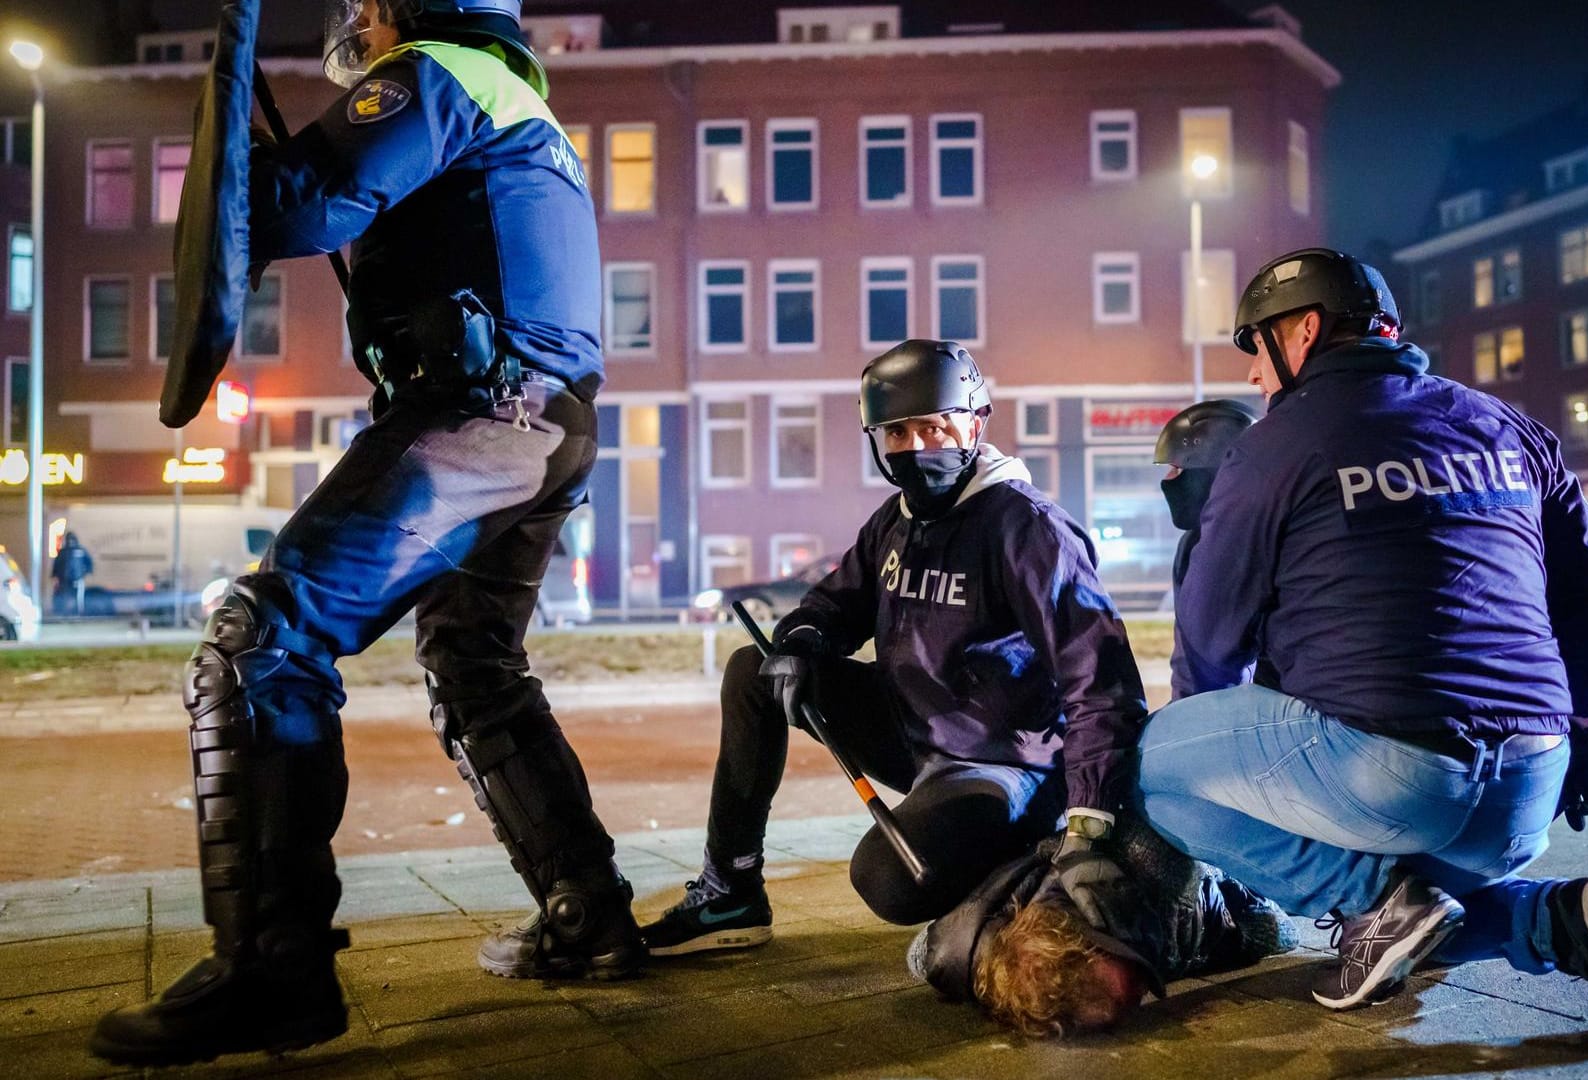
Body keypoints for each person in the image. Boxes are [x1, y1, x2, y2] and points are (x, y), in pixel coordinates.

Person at [92, 1, 637, 1066]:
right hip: (550, 425)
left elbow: (307, 207)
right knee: (476, 664)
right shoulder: (517, 99)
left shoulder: (437, 70)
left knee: (263, 639)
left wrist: (255, 167)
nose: (356, 19)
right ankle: (588, 911)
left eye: (367, 4)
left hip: (483, 415)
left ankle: (273, 969)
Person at [1133, 248, 1588, 1045]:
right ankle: (1562, 921)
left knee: (1153, 763)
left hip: (1393, 777)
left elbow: (1209, 640)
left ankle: (1368, 900)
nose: (1257, 379)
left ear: (1302, 331)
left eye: (1255, 349)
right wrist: (1582, 729)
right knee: (1415, 915)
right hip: (1528, 791)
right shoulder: (1508, 426)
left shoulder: (1273, 446)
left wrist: (1231, 784)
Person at [639, 340, 1149, 954]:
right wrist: (801, 642)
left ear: (975, 420)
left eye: (933, 427)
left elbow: (1101, 682)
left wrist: (1089, 822)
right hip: (912, 730)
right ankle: (732, 890)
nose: (915, 448)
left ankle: (1021, 855)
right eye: (896, 433)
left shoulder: (1027, 528)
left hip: (1001, 761)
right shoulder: (896, 520)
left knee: (889, 878)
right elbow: (833, 606)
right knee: (756, 670)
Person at [909, 815, 1296, 1037]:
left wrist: (1260, 931)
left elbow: (1256, 924)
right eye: (1127, 1006)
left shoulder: (1155, 866)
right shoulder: (956, 959)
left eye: (1133, 981)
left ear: (1097, 937)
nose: (1145, 992)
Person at [1155, 400, 1259, 692]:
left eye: (1176, 468)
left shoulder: (1215, 544)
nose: (1167, 480)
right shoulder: (1196, 542)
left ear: (1209, 471)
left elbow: (1207, 665)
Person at [50, 532, 94, 616]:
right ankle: (73, 611)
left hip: (71, 578)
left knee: (71, 596)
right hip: (71, 578)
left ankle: (74, 611)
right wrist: (86, 572)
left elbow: (56, 565)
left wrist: (55, 575)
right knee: (71, 596)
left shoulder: (66, 552)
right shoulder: (76, 551)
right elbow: (89, 563)